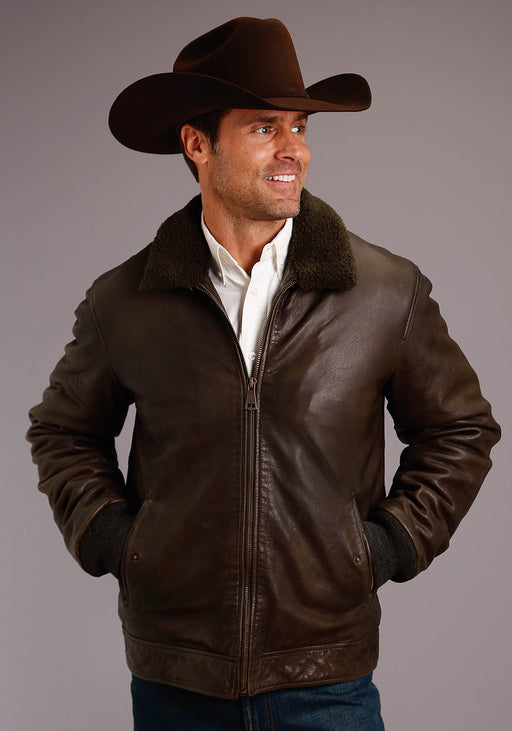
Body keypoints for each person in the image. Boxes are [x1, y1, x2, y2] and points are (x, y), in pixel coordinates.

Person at [27, 16, 500, 730]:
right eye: (263, 128)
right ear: (197, 144)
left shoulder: (384, 292)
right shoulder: (122, 302)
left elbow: (461, 429)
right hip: (175, 679)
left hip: (326, 680)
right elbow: (62, 431)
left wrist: (385, 546)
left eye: (300, 127)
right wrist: (116, 540)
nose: (294, 150)